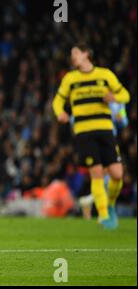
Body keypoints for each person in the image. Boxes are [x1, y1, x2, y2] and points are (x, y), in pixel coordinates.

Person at [52, 43, 130, 229]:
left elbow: (125, 94)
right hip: (84, 132)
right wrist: (60, 113)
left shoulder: (105, 75)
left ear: (87, 54)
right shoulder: (70, 79)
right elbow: (58, 100)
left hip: (105, 129)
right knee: (96, 173)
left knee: (117, 174)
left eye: (76, 53)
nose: (73, 57)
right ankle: (104, 216)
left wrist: (115, 98)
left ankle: (109, 205)